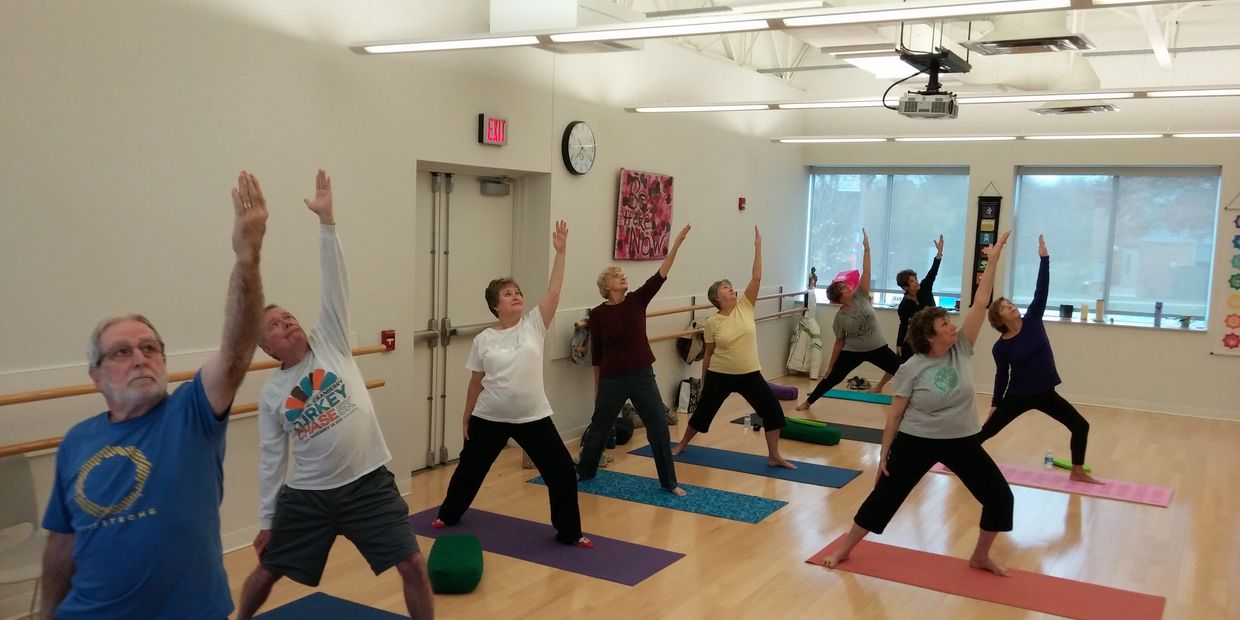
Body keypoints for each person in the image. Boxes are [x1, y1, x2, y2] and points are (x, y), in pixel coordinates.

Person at [41, 171, 268, 619]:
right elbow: (62, 542)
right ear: (96, 376)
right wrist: (47, 614)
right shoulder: (76, 442)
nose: (140, 358)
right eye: (121, 352)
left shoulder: (191, 413)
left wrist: (248, 259)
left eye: (150, 348)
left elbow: (237, 351)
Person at [236, 171, 433, 620]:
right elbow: (271, 459)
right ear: (266, 348)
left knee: (414, 564)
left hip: (368, 484)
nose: (287, 323)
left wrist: (327, 223)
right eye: (275, 325)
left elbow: (334, 284)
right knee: (267, 571)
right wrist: (267, 521)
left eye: (288, 316)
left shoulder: (331, 342)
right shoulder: (273, 393)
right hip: (309, 496)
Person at [820, 232, 1014, 576]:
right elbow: (894, 415)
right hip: (917, 440)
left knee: (1000, 498)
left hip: (962, 440)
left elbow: (981, 302)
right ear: (929, 335)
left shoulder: (961, 347)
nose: (952, 326)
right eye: (944, 324)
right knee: (885, 498)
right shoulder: (911, 368)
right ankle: (846, 548)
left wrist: (994, 257)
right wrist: (884, 455)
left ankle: (980, 556)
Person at [432, 221, 593, 548]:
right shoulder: (483, 339)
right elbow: (476, 381)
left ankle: (570, 532)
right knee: (470, 470)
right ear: (496, 305)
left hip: (532, 416)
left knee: (561, 472)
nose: (516, 296)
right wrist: (466, 415)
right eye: (508, 294)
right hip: (489, 416)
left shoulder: (534, 324)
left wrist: (560, 253)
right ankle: (448, 514)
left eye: (518, 292)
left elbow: (554, 291)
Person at [577, 224, 692, 496]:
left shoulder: (637, 301)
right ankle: (584, 473)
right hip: (612, 378)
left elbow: (660, 274)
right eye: (618, 277)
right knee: (599, 426)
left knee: (658, 426)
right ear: (606, 286)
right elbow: (598, 354)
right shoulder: (598, 314)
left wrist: (676, 244)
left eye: (624, 275)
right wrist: (597, 387)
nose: (623, 279)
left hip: (641, 375)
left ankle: (669, 482)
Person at [979, 234, 1102, 484]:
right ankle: (956, 459)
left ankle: (1077, 471)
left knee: (1081, 425)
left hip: (1046, 393)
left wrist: (1044, 259)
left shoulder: (1033, 319)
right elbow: (1001, 376)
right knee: (986, 432)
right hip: (1017, 397)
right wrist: (995, 403)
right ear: (999, 319)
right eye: (1005, 307)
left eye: (1011, 303)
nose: (1011, 307)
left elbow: (1041, 289)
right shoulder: (1000, 347)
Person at [672, 227, 795, 469]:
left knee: (772, 411)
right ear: (717, 298)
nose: (731, 289)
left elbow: (757, 277)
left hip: (750, 373)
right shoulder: (712, 322)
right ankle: (681, 444)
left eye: (730, 286)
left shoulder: (745, 306)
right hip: (721, 375)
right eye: (726, 289)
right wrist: (704, 379)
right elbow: (708, 353)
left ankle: (774, 456)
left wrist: (758, 247)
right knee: (703, 413)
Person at [796, 229, 902, 413]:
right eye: (844, 288)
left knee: (904, 371)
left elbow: (867, 271)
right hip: (852, 351)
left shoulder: (861, 296)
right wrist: (830, 367)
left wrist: (867, 249)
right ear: (839, 297)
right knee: (832, 378)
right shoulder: (840, 317)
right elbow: (839, 343)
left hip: (878, 348)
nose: (849, 287)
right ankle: (808, 402)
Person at [872, 235, 944, 393]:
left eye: (916, 279)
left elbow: (933, 272)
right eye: (912, 281)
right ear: (905, 287)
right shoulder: (904, 306)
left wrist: (939, 253)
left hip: (934, 333)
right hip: (917, 336)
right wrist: (898, 344)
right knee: (901, 362)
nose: (916, 282)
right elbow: (903, 325)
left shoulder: (925, 288)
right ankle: (879, 387)